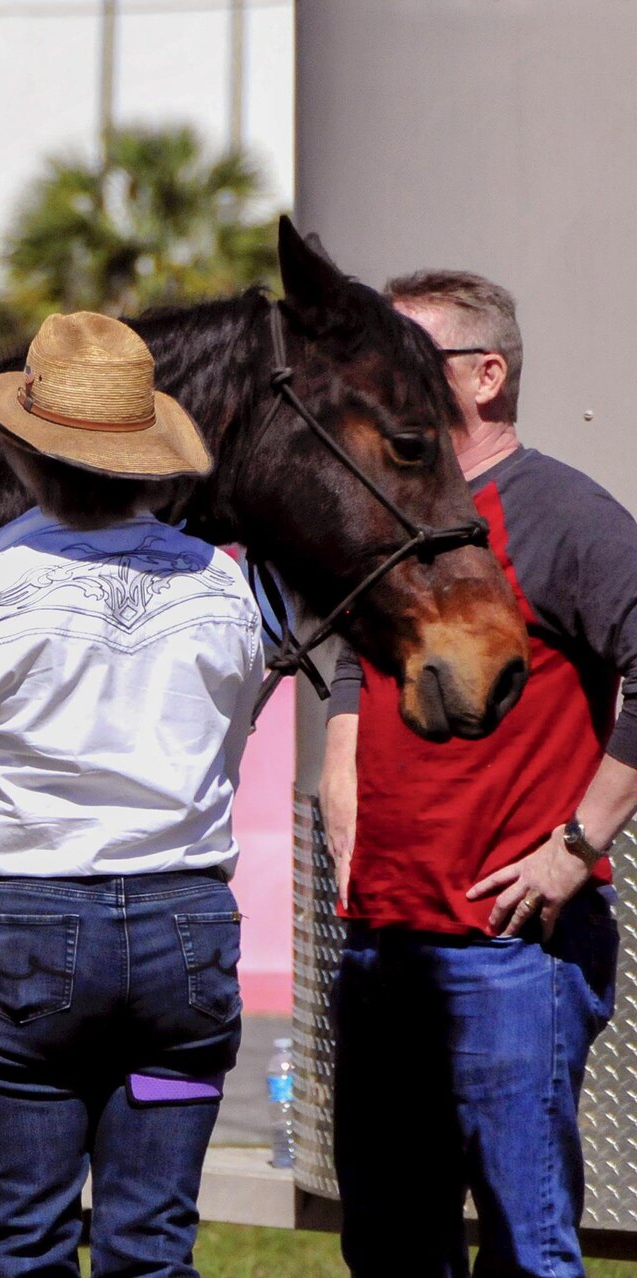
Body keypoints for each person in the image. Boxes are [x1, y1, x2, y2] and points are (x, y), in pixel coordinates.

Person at [0, 311, 263, 1278]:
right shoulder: (223, 591)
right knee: (152, 1239)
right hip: (184, 941)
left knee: (28, 1235)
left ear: (21, 454)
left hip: (28, 941)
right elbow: (227, 741)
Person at [320, 270, 637, 1278]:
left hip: (510, 951)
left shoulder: (564, 517)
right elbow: (348, 662)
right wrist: (339, 789)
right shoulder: (382, 513)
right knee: (386, 1246)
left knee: (520, 1247)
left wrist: (575, 846)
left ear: (484, 374)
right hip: (379, 949)